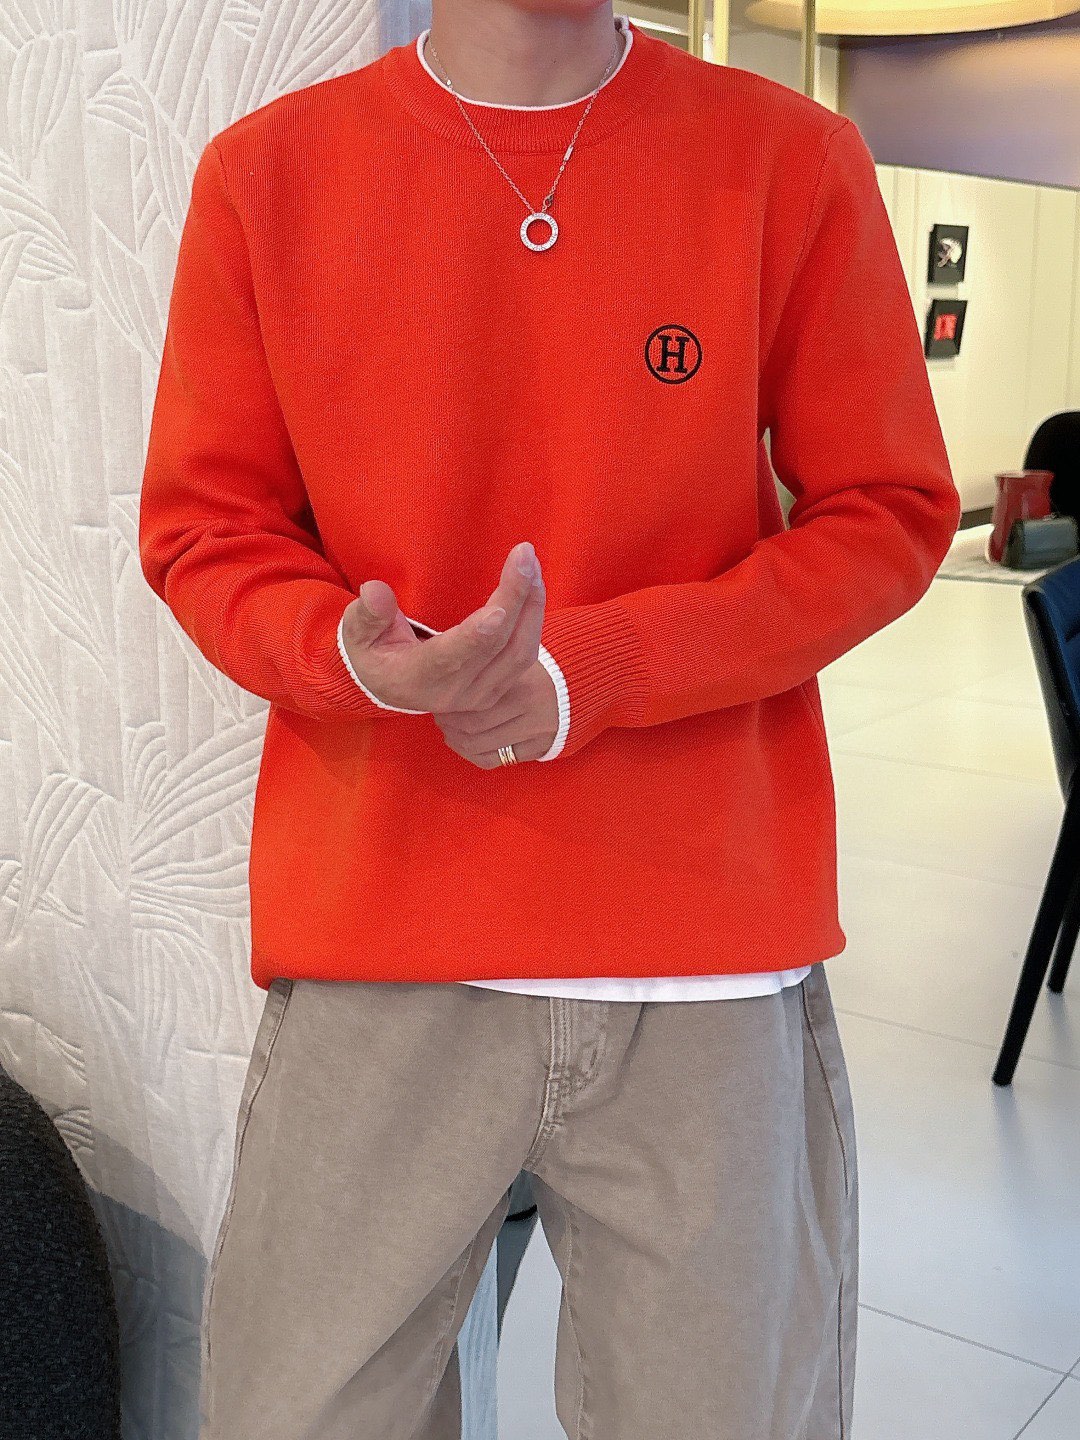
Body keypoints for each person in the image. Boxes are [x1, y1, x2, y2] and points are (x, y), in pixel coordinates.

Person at [138, 3, 962, 1436]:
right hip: (386, 932)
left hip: (703, 952)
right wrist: (347, 655)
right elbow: (206, 528)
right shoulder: (270, 174)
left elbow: (886, 512)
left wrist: (598, 669)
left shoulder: (788, 159)